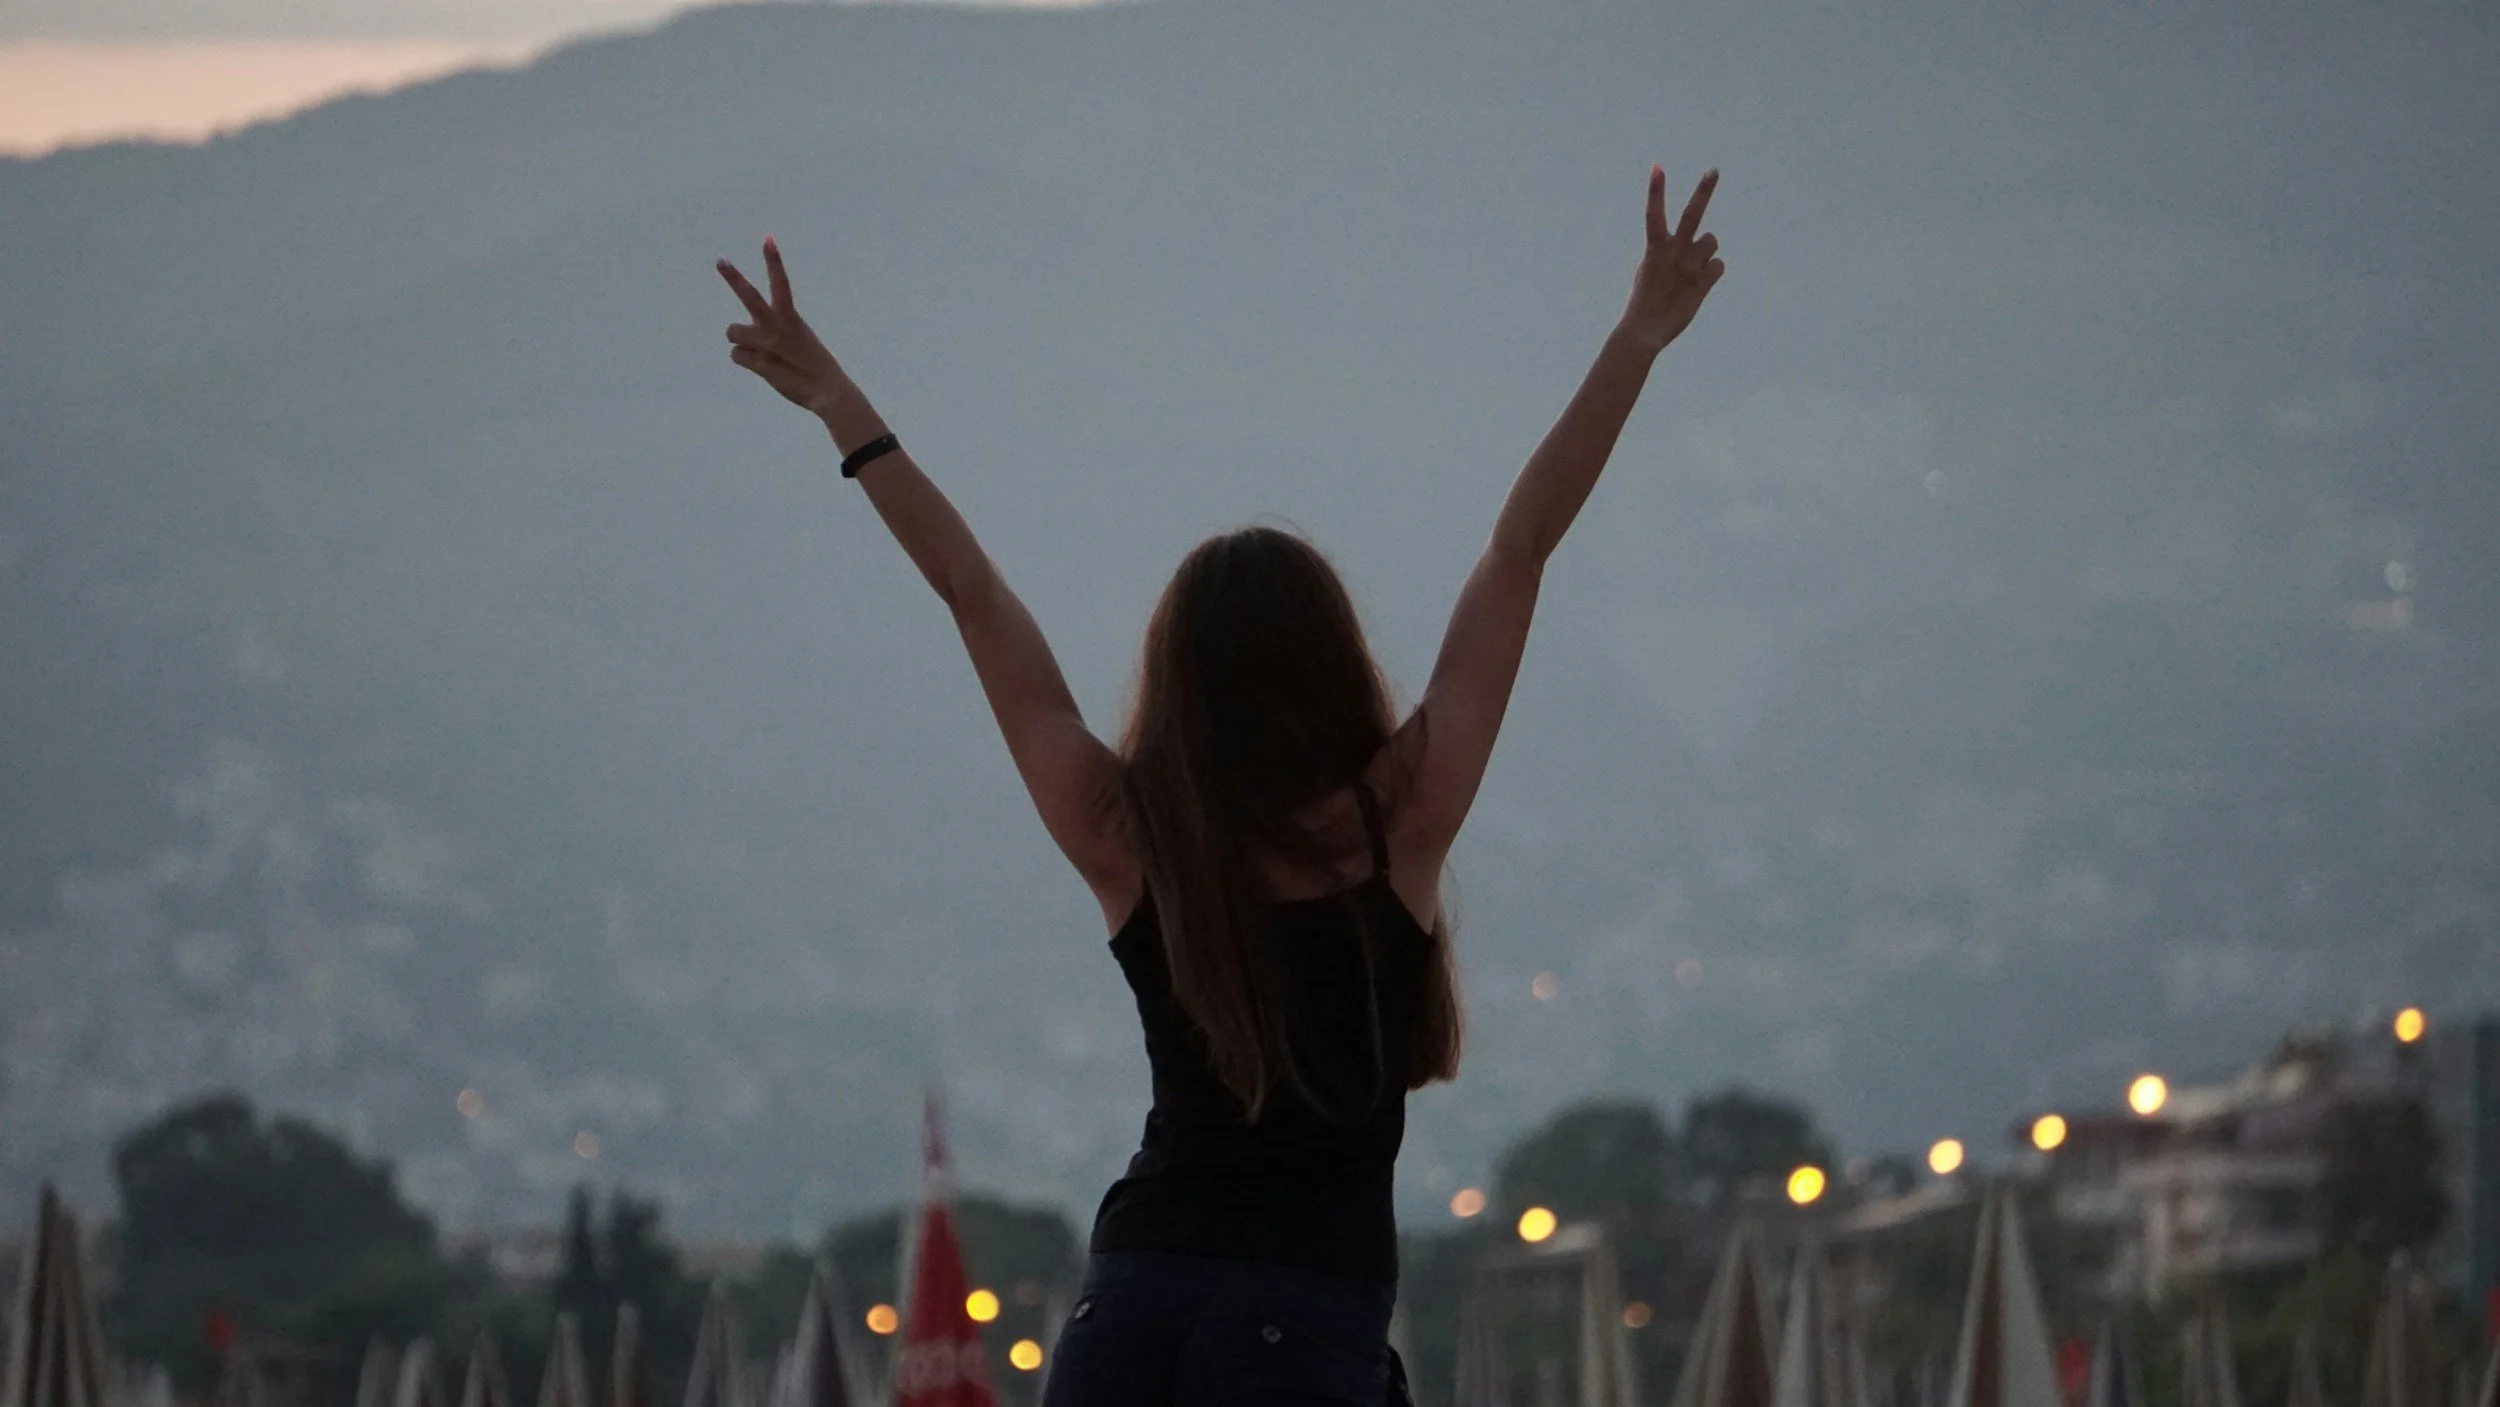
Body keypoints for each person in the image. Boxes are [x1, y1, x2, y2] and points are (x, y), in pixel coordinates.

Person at [716, 163, 1724, 1406]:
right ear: (1333, 663)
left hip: (1127, 1303)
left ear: (1175, 683)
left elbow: (973, 596)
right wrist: (1637, 336)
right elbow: (1519, 551)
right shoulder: (1395, 820)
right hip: (1302, 1324)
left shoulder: (1124, 834)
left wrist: (841, 408)